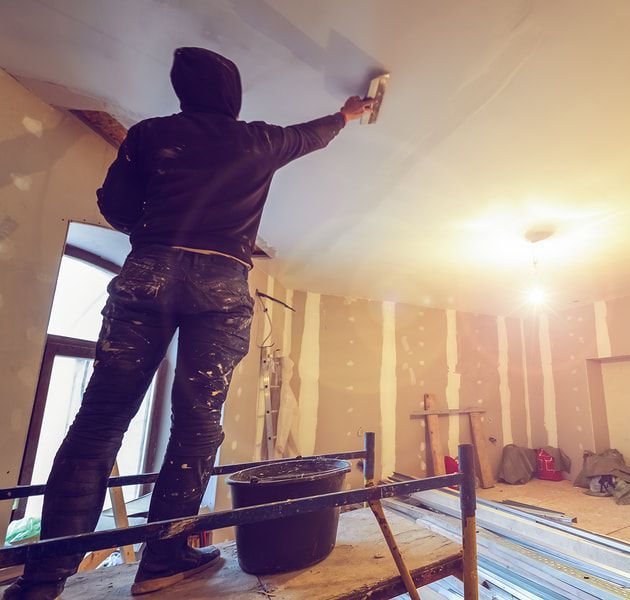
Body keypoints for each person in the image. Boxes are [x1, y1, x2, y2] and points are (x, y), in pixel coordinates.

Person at [4, 47, 373, 599]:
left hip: (149, 271)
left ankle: (42, 579)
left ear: (184, 91)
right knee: (198, 424)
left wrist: (155, 229)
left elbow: (115, 205)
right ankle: (164, 560)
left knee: (99, 423)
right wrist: (347, 114)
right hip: (221, 283)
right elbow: (312, 135)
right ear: (232, 95)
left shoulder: (150, 134)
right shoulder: (258, 140)